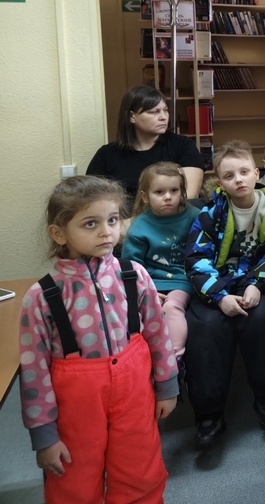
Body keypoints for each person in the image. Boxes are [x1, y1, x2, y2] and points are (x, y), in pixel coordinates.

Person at [19, 175, 178, 503]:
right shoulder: (41, 296)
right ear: (59, 233)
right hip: (77, 406)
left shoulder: (134, 275)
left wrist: (167, 385)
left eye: (113, 220)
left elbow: (158, 334)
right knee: (73, 480)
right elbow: (34, 372)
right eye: (91, 223)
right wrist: (44, 435)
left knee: (140, 470)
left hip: (135, 392)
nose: (107, 232)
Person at [184, 140, 265, 449]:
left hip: (256, 280)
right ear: (220, 182)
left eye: (244, 172)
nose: (239, 180)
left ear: (256, 173)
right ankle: (209, 413)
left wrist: (258, 284)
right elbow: (196, 259)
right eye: (229, 176)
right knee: (206, 327)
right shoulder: (209, 213)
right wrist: (219, 296)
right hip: (219, 281)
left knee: (262, 319)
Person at [122, 161, 200, 360]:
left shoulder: (195, 217)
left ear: (182, 192)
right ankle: (143, 359)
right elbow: (131, 267)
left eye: (174, 190)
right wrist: (147, 291)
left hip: (182, 279)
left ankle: (174, 359)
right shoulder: (139, 227)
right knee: (142, 312)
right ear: (144, 196)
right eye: (159, 192)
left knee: (171, 307)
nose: (168, 197)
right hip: (149, 283)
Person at [86, 85, 204, 207]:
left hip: (174, 216)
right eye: (154, 112)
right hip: (124, 217)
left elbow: (189, 198)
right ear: (132, 116)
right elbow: (92, 200)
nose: (163, 117)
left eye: (165, 110)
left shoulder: (183, 146)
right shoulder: (106, 155)